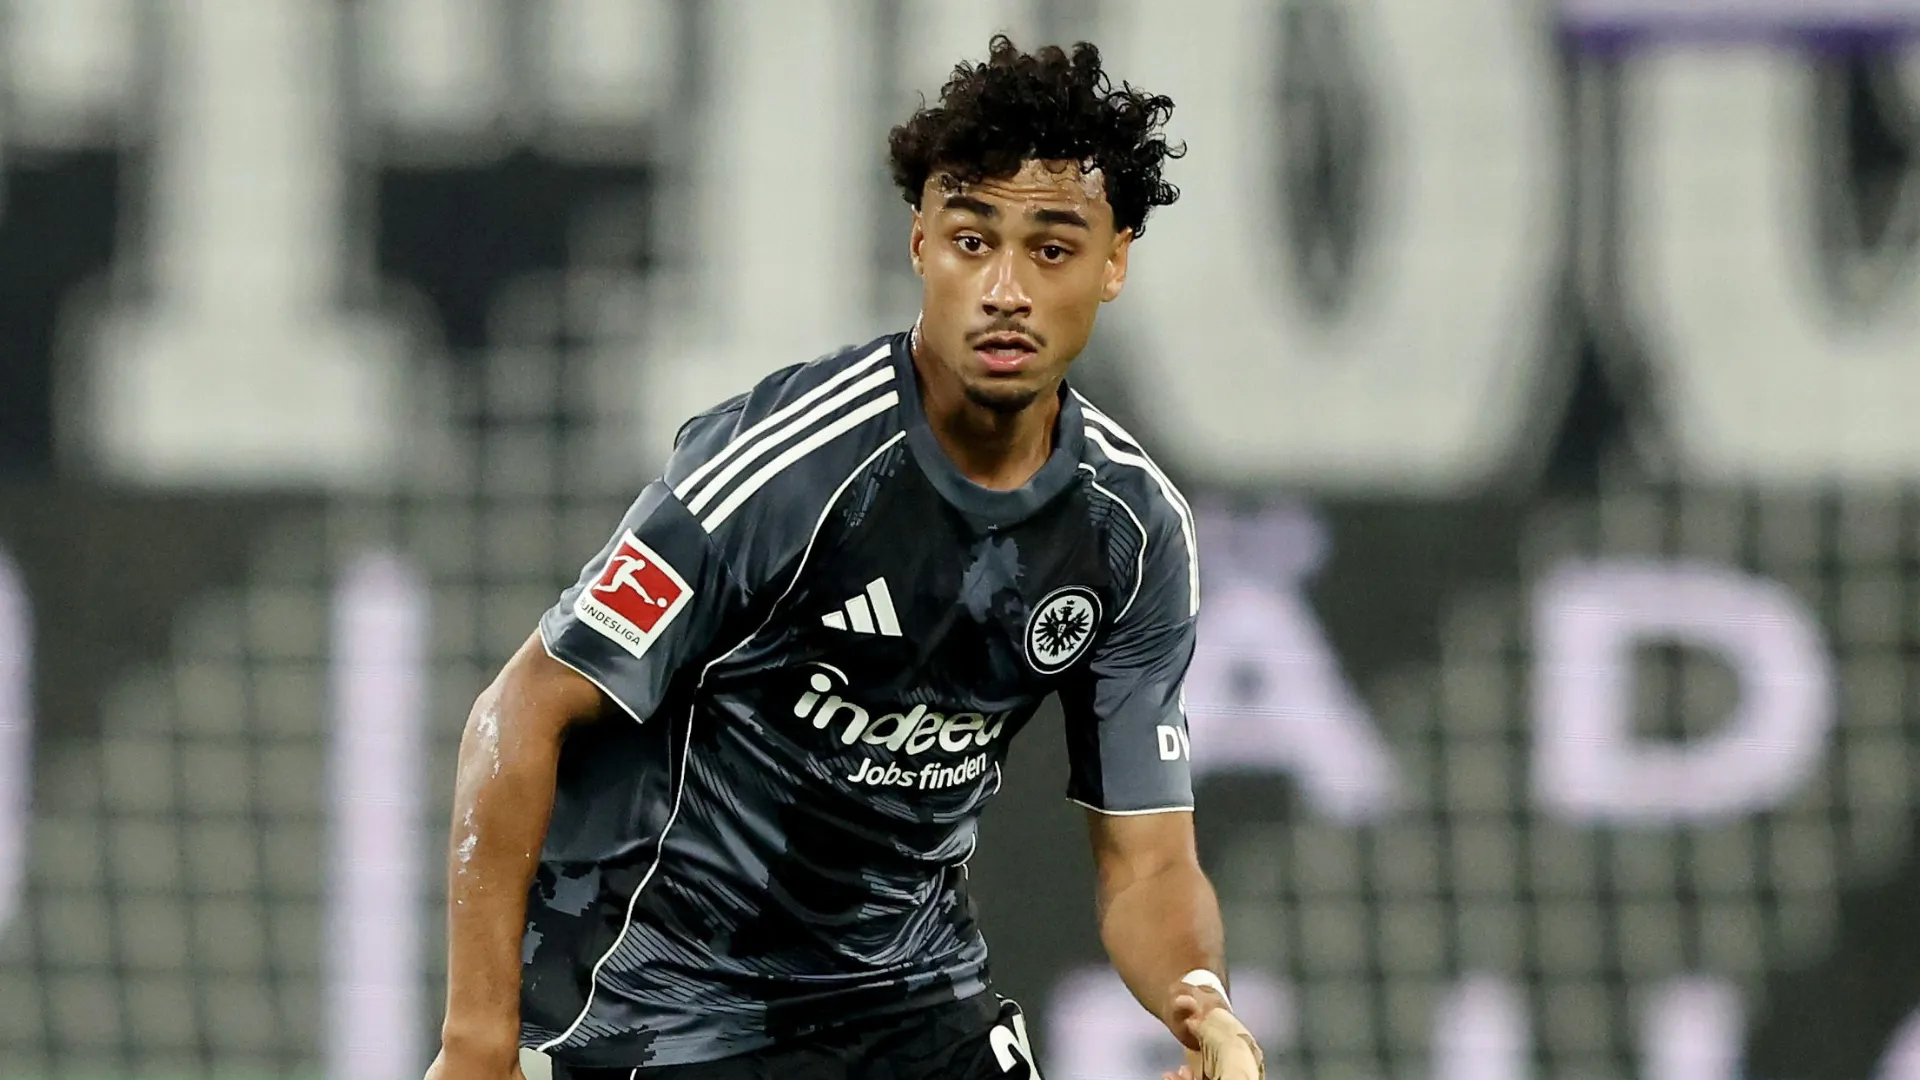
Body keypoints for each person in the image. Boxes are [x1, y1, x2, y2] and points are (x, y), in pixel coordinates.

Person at [425, 35, 1264, 1080]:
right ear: (920, 245)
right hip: (677, 1006)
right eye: (971, 241)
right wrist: (475, 1042)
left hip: (916, 1000)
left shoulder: (1130, 532)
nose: (1005, 289)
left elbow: (1147, 861)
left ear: (1115, 262)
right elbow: (521, 710)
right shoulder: (785, 469)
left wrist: (1200, 1002)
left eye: (1052, 250)